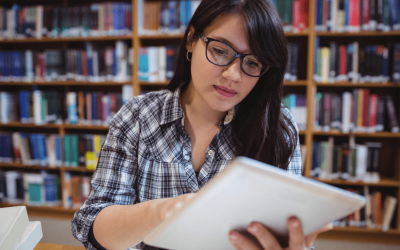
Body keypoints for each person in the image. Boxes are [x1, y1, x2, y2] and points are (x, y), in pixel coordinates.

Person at [71, 0, 332, 249]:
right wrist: (163, 211)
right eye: (220, 50)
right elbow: (92, 225)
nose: (233, 75)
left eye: (252, 62)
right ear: (192, 39)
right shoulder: (139, 116)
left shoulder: (277, 128)